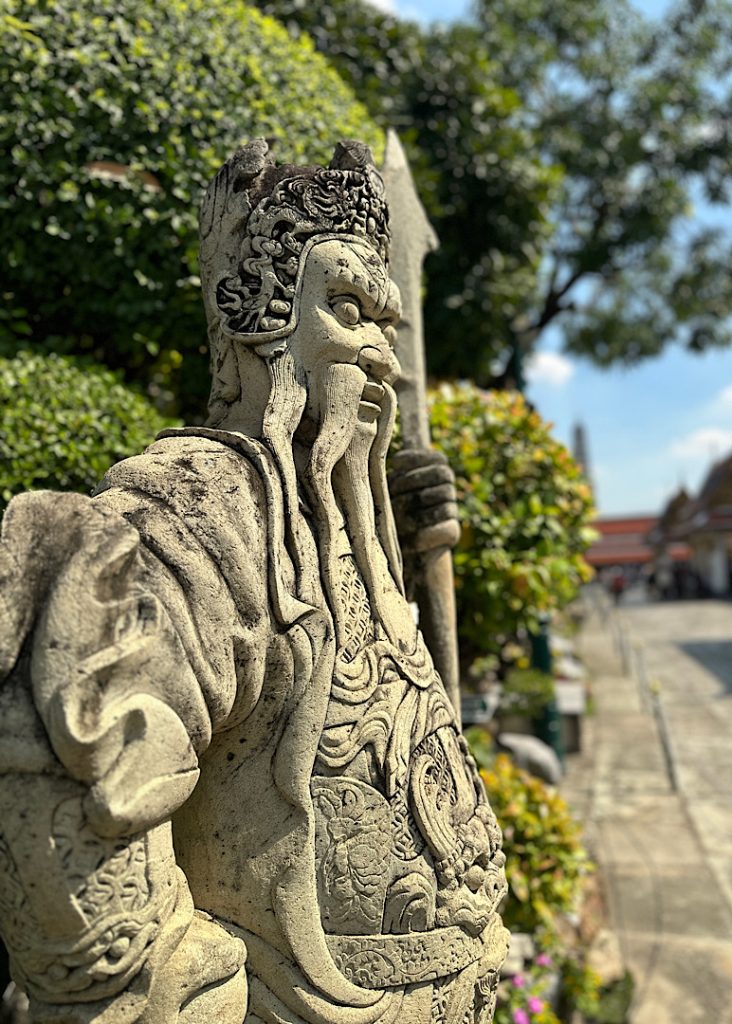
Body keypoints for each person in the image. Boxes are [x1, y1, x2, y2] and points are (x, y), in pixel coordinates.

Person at [0, 141, 507, 1024]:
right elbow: (70, 725)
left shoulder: (363, 527)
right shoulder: (210, 509)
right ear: (258, 320)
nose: (384, 356)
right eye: (348, 309)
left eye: (388, 323)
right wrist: (169, 986)